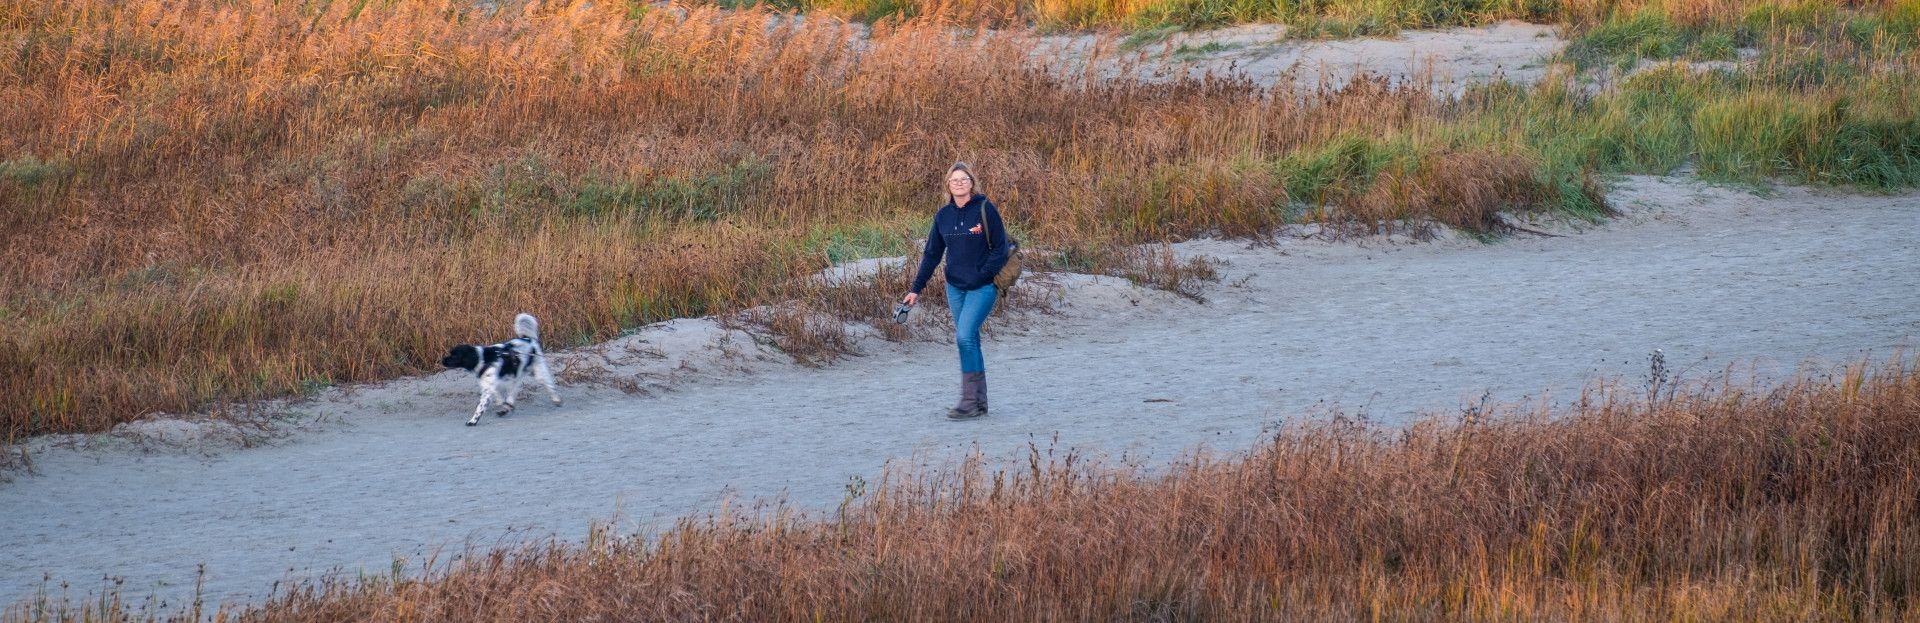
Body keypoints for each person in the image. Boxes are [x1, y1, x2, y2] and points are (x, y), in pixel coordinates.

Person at [902, 162, 1012, 419]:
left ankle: (968, 401)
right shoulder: (942, 217)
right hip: (955, 288)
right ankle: (979, 402)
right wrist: (915, 289)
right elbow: (931, 255)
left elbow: (1000, 249)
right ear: (948, 185)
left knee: (964, 336)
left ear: (971, 183)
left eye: (964, 179)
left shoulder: (985, 210)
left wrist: (983, 273)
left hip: (983, 287)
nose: (959, 183)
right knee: (970, 339)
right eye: (954, 180)